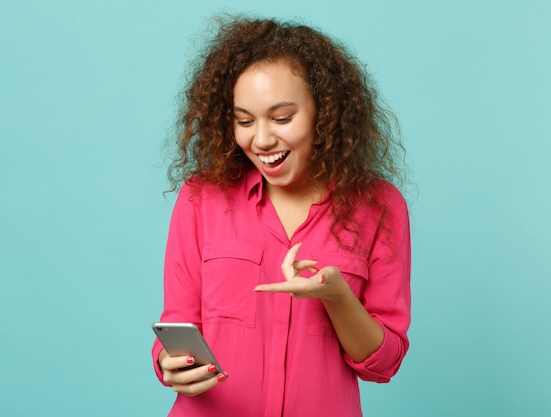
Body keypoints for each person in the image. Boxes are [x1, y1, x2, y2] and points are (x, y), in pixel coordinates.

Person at [151, 15, 411, 417]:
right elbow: (178, 327)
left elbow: (384, 362)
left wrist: (336, 297)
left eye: (282, 117)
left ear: (323, 112)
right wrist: (170, 365)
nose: (262, 139)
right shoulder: (201, 199)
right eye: (244, 120)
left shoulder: (379, 207)